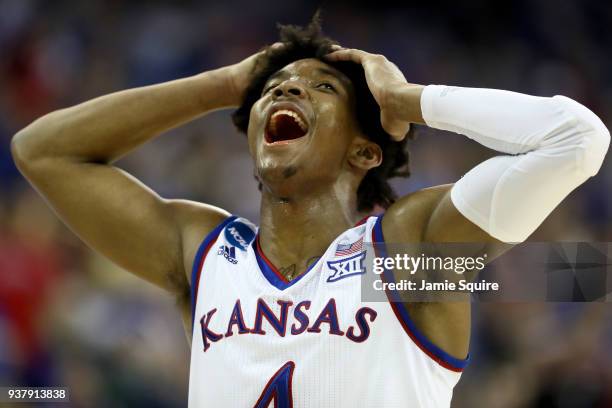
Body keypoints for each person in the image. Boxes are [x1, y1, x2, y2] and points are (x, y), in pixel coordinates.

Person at [11, 19, 609, 408]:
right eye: (273, 87)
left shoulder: (401, 259)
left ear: (364, 150)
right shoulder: (208, 253)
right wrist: (221, 85)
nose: (286, 91)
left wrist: (407, 100)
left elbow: (576, 140)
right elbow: (42, 151)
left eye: (321, 88)